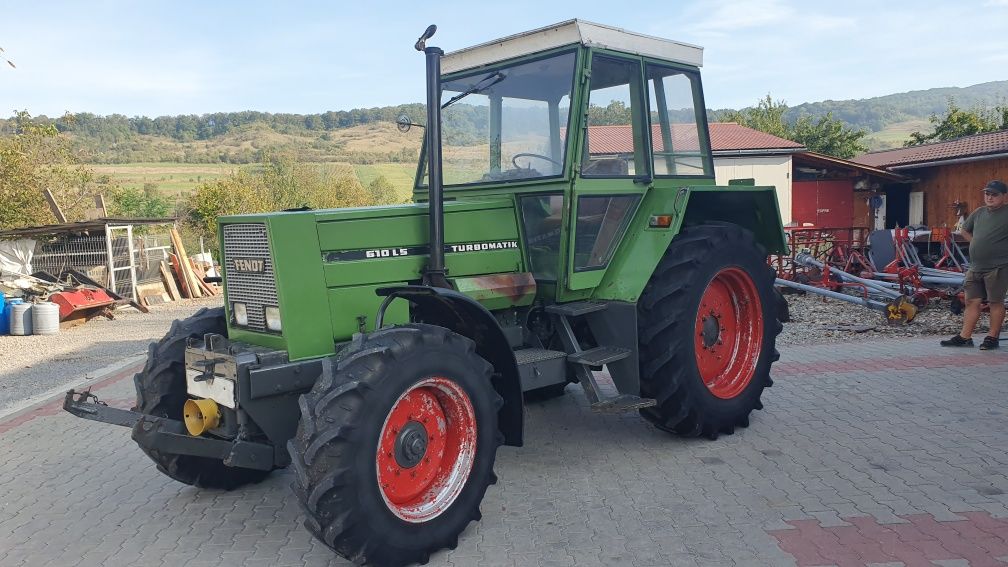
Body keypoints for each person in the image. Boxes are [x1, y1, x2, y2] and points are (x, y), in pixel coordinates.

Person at [941, 179, 1008, 350]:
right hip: (976, 266)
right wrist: (975, 242)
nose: (990, 197)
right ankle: (965, 337)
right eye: (987, 194)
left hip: (998, 266)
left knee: (995, 302)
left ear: (1004, 196)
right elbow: (964, 229)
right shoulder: (979, 212)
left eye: (994, 195)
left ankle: (991, 338)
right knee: (971, 301)